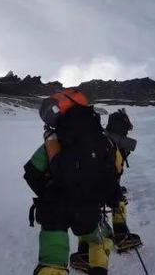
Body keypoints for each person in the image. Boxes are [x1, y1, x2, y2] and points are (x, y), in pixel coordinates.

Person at [24, 89, 123, 275]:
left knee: (52, 259)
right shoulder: (104, 141)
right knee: (100, 238)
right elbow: (113, 173)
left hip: (55, 211)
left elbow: (31, 173)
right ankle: (98, 268)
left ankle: (52, 269)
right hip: (89, 210)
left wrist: (50, 193)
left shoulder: (55, 140)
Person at [70, 109, 142, 273]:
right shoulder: (112, 147)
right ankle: (121, 235)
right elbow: (112, 175)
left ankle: (83, 251)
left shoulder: (98, 141)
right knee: (119, 200)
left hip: (80, 190)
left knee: (87, 216)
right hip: (99, 190)